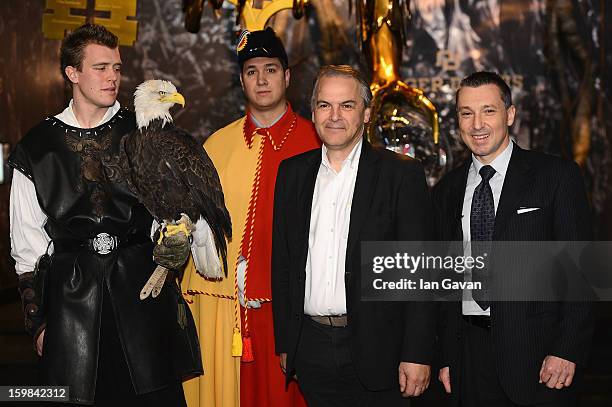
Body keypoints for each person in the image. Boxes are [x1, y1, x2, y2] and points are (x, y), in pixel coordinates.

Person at [9, 23, 201, 406]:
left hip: (144, 297)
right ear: (72, 73)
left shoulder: (144, 129)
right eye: (100, 67)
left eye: (117, 67)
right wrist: (39, 323)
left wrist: (179, 238)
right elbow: (27, 247)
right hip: (71, 305)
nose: (113, 76)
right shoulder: (37, 149)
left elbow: (176, 208)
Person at [271, 65, 436, 406]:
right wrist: (288, 342)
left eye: (346, 105)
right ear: (313, 110)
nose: (334, 116)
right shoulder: (292, 174)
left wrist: (417, 353)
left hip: (381, 350)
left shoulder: (400, 175)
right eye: (324, 105)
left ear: (366, 112)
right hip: (311, 348)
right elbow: (284, 263)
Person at [432, 71, 593, 407]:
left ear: (510, 114)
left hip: (537, 356)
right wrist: (446, 356)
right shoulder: (447, 190)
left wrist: (566, 350)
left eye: (488, 111)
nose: (477, 124)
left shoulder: (556, 177)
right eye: (466, 113)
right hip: (466, 358)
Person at [181, 27, 320, 407]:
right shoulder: (217, 145)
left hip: (293, 312)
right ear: (241, 79)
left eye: (271, 69)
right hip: (225, 308)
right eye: (252, 70)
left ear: (287, 76)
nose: (262, 79)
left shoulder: (316, 141)